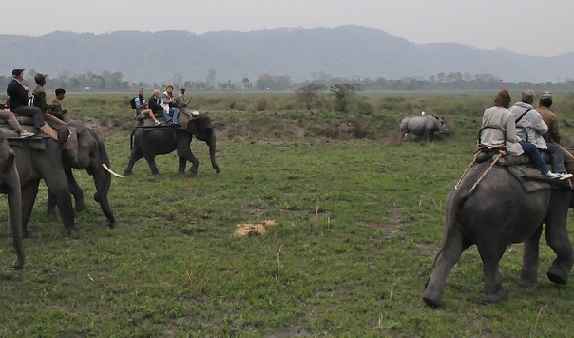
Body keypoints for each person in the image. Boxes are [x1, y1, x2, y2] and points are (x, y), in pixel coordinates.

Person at [480, 89, 565, 179]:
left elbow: (483, 126)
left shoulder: (488, 111)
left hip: (486, 141)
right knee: (532, 147)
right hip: (501, 142)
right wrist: (519, 139)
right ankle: (546, 171)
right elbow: (511, 138)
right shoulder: (508, 114)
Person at [6, 69, 56, 139]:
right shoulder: (15, 85)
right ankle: (39, 131)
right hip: (18, 107)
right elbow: (22, 97)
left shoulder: (14, 84)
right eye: (22, 74)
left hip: (17, 105)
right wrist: (26, 91)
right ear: (20, 75)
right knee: (37, 110)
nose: (23, 75)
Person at [537, 91, 574, 175]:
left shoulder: (533, 112)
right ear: (550, 103)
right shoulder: (552, 116)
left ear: (540, 102)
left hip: (533, 141)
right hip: (547, 143)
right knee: (571, 160)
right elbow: (556, 134)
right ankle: (562, 174)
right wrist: (558, 144)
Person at [32, 73, 71, 144]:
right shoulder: (41, 92)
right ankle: (61, 143)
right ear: (42, 81)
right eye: (44, 79)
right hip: (43, 114)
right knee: (63, 126)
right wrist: (53, 106)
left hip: (39, 112)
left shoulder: (35, 90)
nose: (46, 80)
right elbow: (44, 106)